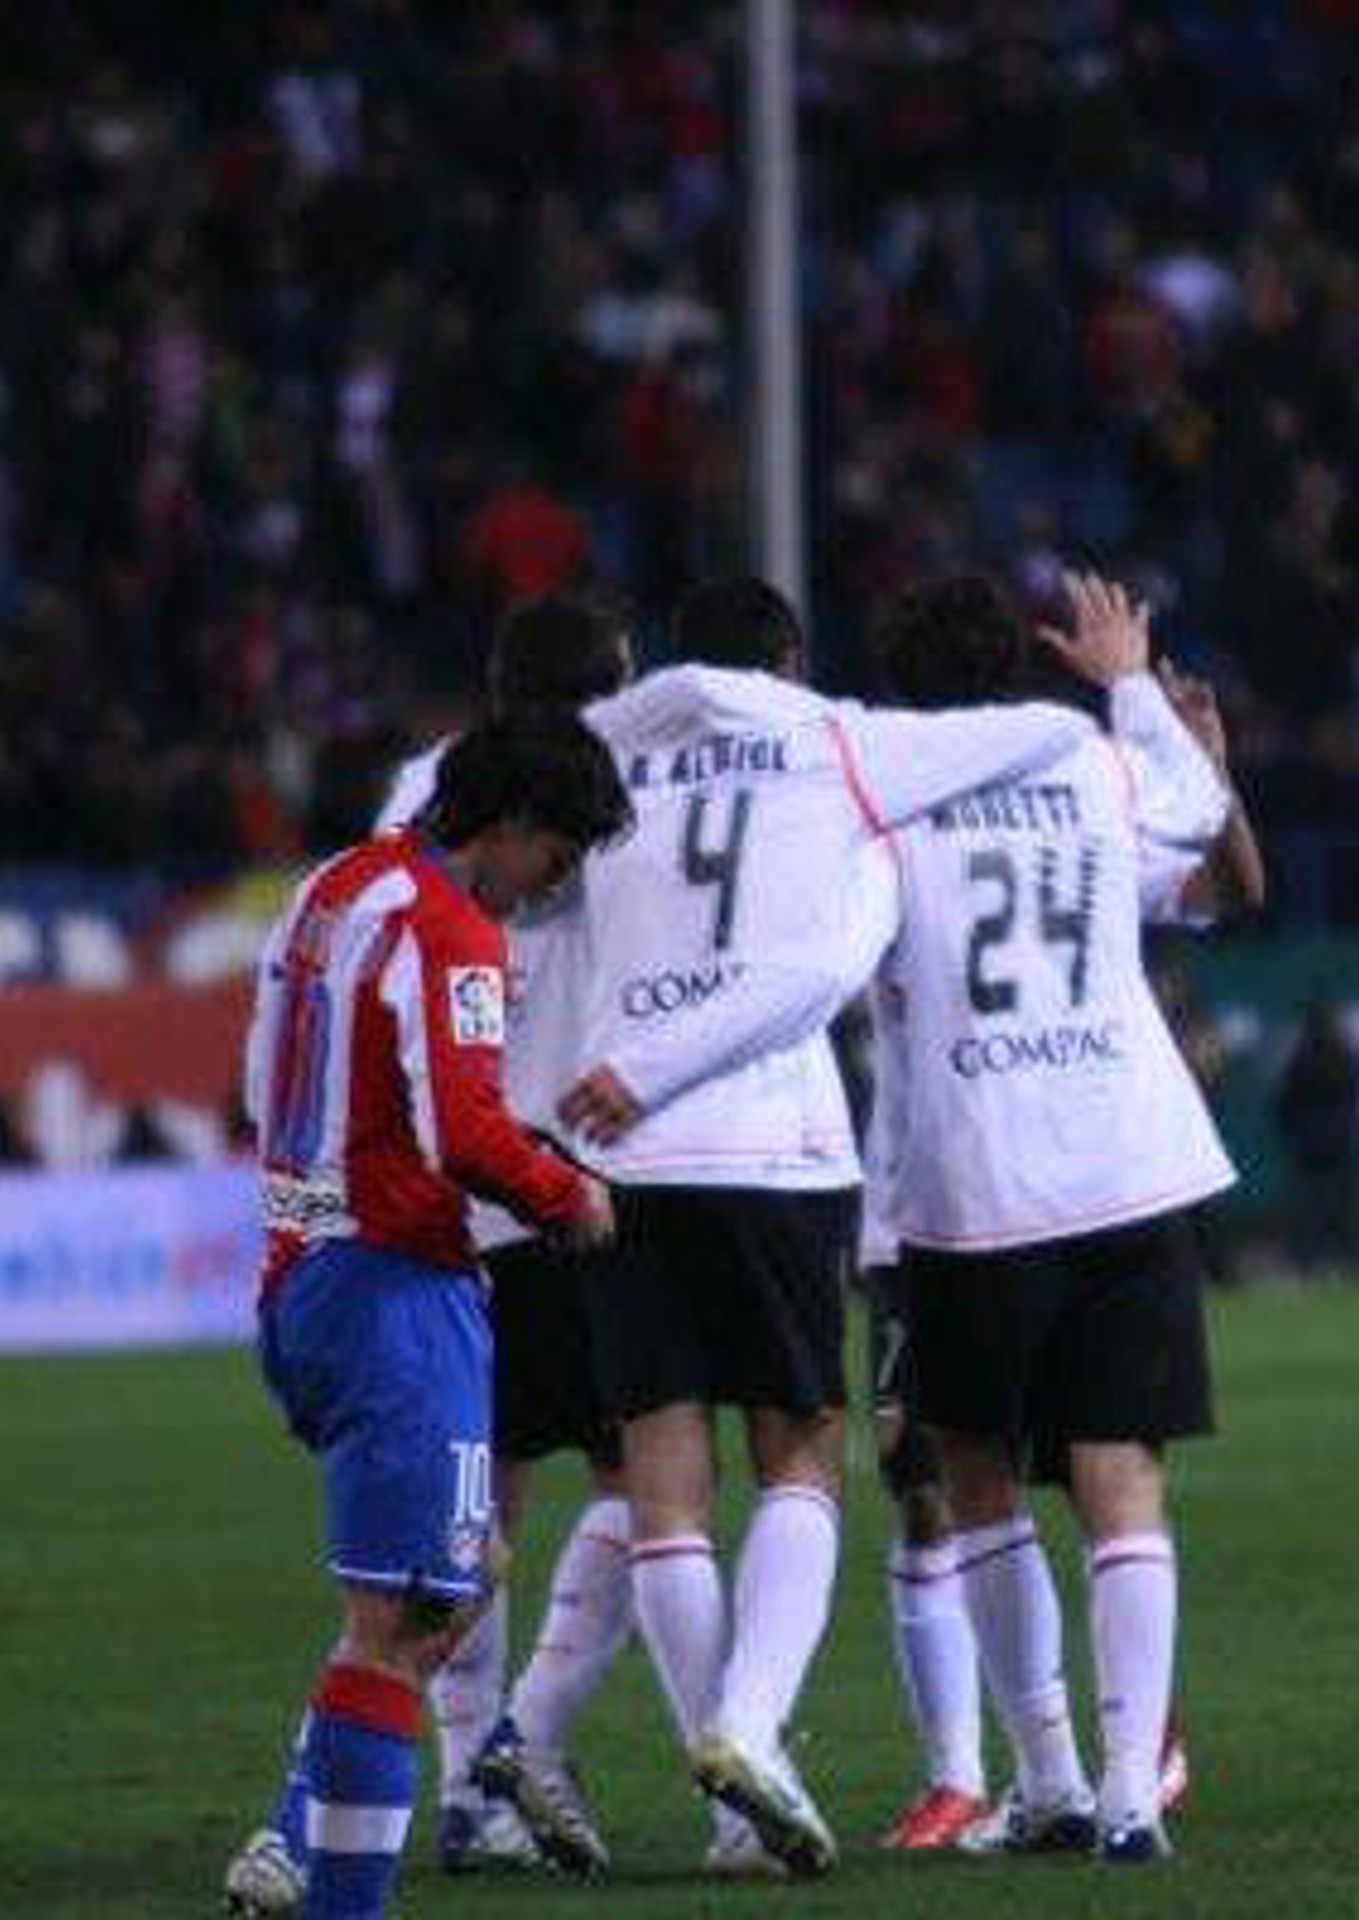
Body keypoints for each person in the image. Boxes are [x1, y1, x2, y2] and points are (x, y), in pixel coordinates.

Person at [528, 576, 1097, 1877]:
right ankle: (747, 1726)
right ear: (789, 658)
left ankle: (735, 1818)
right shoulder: (835, 735)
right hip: (771, 1145)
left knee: (665, 1478)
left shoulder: (602, 746)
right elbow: (1044, 732)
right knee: (801, 1450)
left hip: (623, 1150)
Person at [220, 711, 630, 1920]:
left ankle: (299, 1830)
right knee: (408, 1622)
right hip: (396, 1286)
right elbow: (466, 1131)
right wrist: (567, 1195)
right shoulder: (452, 931)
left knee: (453, 1579)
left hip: (303, 1273)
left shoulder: (330, 888)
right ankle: (331, 1882)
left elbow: (259, 1080)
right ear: (511, 822)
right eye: (555, 858)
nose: (548, 889)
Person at [864, 609, 1262, 1850]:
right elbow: (1201, 825)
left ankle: (1048, 1777)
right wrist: (1133, 687)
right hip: (1127, 1163)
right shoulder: (1090, 768)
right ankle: (1132, 1797)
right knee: (1122, 1480)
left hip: (977, 1185)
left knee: (977, 1481)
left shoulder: (885, 808)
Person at [373, 592, 642, 1879]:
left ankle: (471, 1781)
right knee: (648, 1473)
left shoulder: (418, 794)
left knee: (486, 1496)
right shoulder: (611, 786)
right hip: (561, 1168)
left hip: (454, 1183)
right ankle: (514, 1745)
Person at [1273, 997, 1359, 1278]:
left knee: (1308, 1201)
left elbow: (1286, 1100)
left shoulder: (1300, 1056)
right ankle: (1351, 1260)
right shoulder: (1345, 1054)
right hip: (1340, 1136)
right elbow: (1356, 1095)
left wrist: (1291, 1128)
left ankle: (1306, 1259)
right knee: (1345, 1200)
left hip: (1308, 1137)